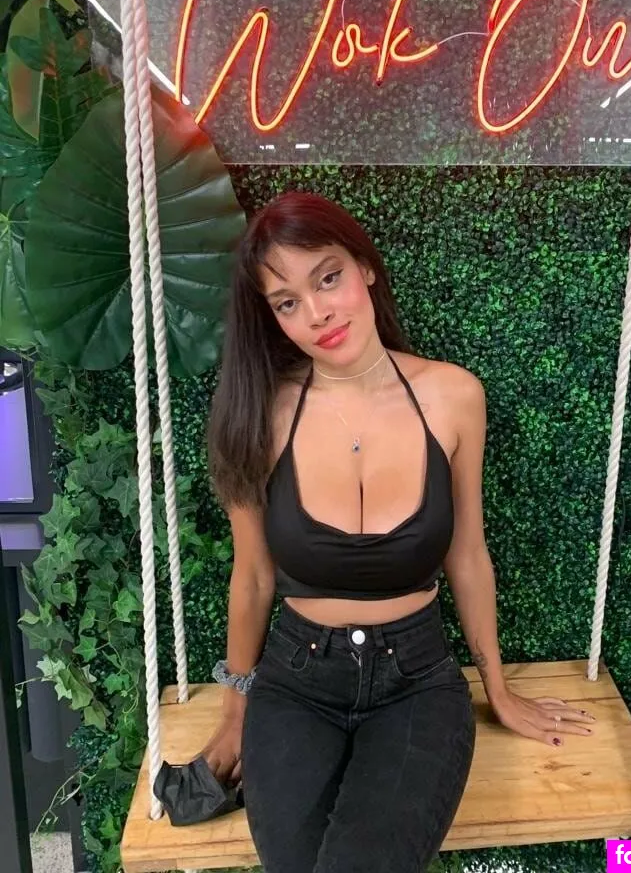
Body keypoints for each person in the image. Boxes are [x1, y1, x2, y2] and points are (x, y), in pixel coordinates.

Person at [200, 192, 595, 873]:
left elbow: (468, 555)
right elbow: (254, 576)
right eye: (287, 302)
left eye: (328, 278)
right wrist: (236, 708)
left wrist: (497, 687)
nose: (317, 313)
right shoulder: (257, 413)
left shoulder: (454, 397)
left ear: (366, 269)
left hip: (417, 685)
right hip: (295, 685)